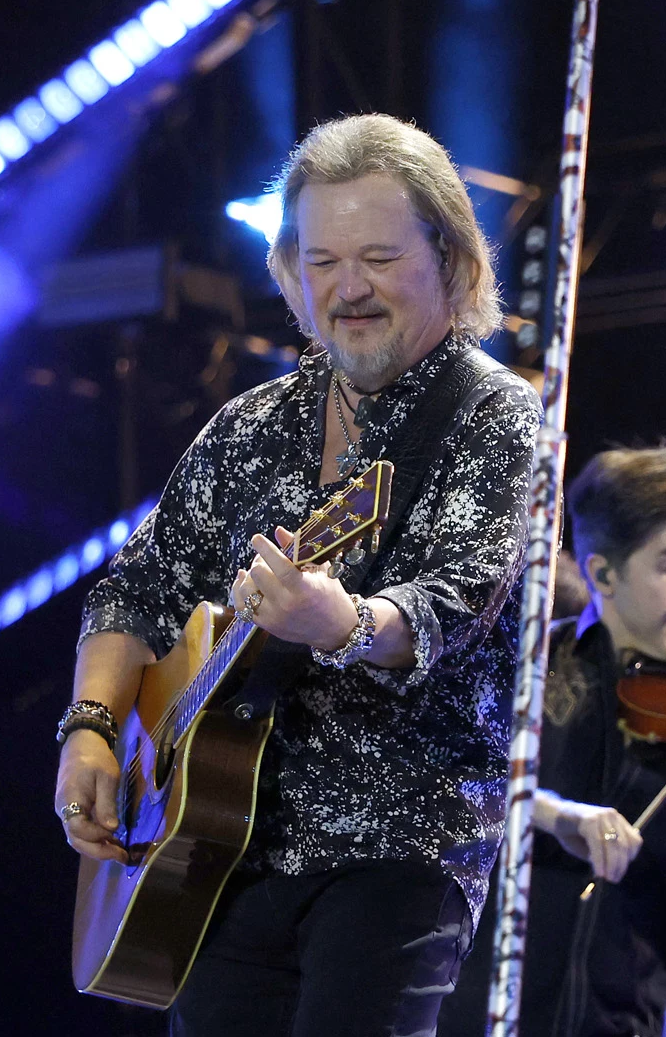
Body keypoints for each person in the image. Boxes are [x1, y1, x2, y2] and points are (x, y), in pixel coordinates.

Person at [53, 113, 541, 1036]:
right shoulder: (250, 424)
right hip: (214, 850)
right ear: (288, 272)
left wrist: (343, 623)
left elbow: (455, 600)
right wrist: (91, 728)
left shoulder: (495, 414)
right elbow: (135, 589)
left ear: (450, 260)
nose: (349, 287)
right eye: (322, 261)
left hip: (400, 846)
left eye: (380, 258)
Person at [439, 446, 666, 1037]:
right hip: (477, 1006)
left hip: (623, 1018)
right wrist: (558, 815)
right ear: (603, 574)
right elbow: (447, 783)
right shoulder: (527, 665)